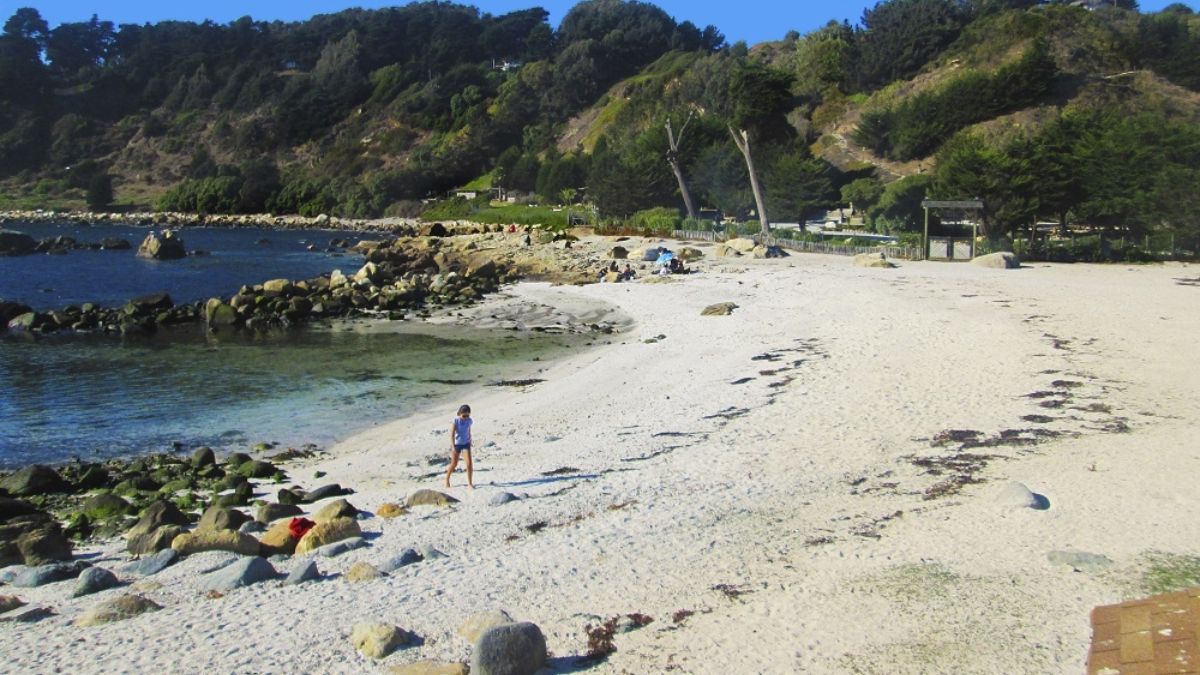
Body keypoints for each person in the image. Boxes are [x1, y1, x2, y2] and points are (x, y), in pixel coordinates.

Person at [445, 404, 474, 488]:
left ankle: (470, 483)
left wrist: (470, 439)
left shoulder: (469, 420)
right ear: (460, 413)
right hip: (457, 444)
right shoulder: (456, 421)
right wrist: (453, 447)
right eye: (464, 415)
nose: (466, 417)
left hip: (466, 444)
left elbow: (468, 430)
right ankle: (447, 479)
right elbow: (452, 435)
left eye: (468, 415)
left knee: (469, 464)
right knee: (454, 464)